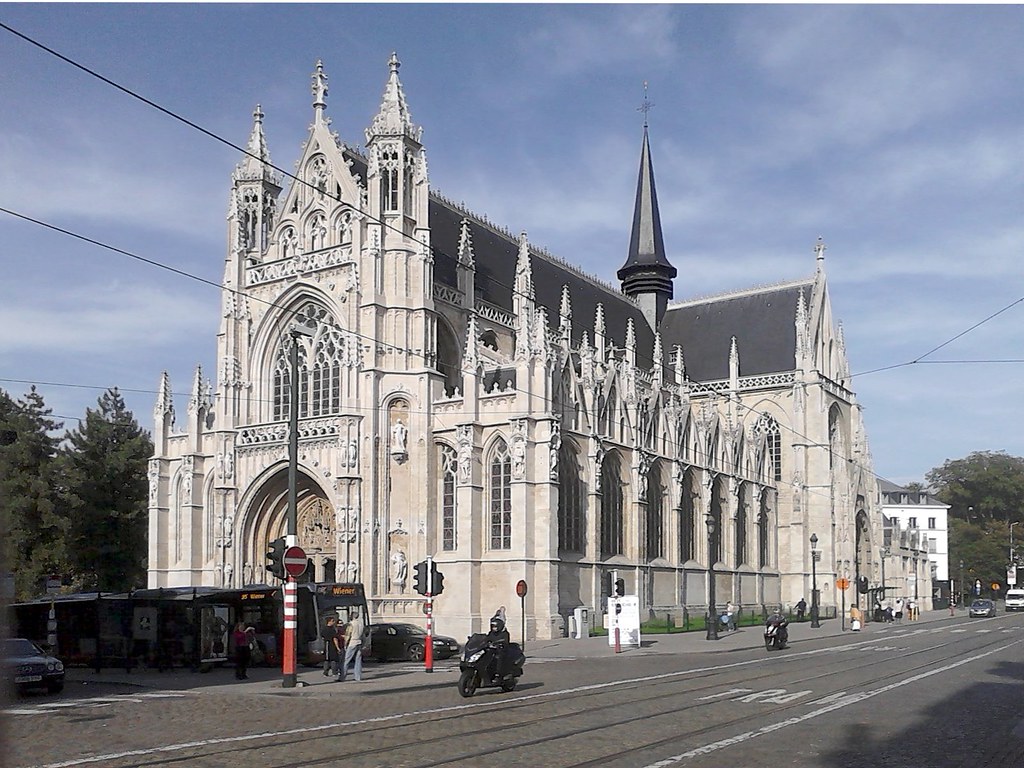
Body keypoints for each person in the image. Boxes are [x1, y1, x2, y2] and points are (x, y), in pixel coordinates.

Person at [339, 608, 365, 682]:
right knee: (358, 661)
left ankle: (342, 677)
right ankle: (358, 677)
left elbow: (348, 635)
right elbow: (363, 635)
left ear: (352, 616)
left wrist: (345, 644)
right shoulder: (361, 623)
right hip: (359, 642)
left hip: (352, 643)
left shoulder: (351, 624)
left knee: (346, 660)